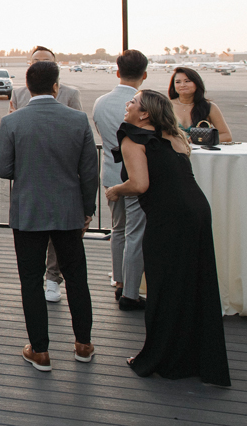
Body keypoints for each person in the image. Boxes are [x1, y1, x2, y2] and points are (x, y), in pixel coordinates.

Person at [106, 89, 231, 387]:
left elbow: (139, 184)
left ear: (145, 113)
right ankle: (196, 355)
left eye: (133, 102)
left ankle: (161, 357)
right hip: (198, 211)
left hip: (170, 218)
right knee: (193, 282)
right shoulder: (175, 136)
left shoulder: (132, 138)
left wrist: (115, 191)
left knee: (164, 286)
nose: (127, 105)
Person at [0, 61, 99, 371]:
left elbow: (2, 168)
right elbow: (89, 172)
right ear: (56, 86)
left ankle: (40, 351)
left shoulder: (12, 122)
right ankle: (83, 344)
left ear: (27, 87)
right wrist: (88, 210)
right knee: (77, 278)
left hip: (27, 211)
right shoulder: (78, 120)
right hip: (68, 211)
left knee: (30, 280)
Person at [9, 45, 83, 304]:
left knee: (58, 239)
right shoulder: (19, 93)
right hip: (30, 178)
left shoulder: (71, 94)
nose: (39, 63)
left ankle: (53, 277)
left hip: (61, 178)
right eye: (35, 60)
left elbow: (80, 141)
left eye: (45, 60)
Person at [93, 50, 149, 310]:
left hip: (111, 173)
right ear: (144, 75)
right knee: (136, 234)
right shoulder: (146, 103)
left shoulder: (100, 102)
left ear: (117, 72)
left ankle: (118, 280)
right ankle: (130, 290)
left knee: (118, 231)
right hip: (138, 176)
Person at [170, 67, 233, 143]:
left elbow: (226, 136)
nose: (182, 85)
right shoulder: (166, 106)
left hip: (201, 153)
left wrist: (199, 139)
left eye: (187, 81)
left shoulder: (209, 107)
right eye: (178, 82)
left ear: (197, 83)